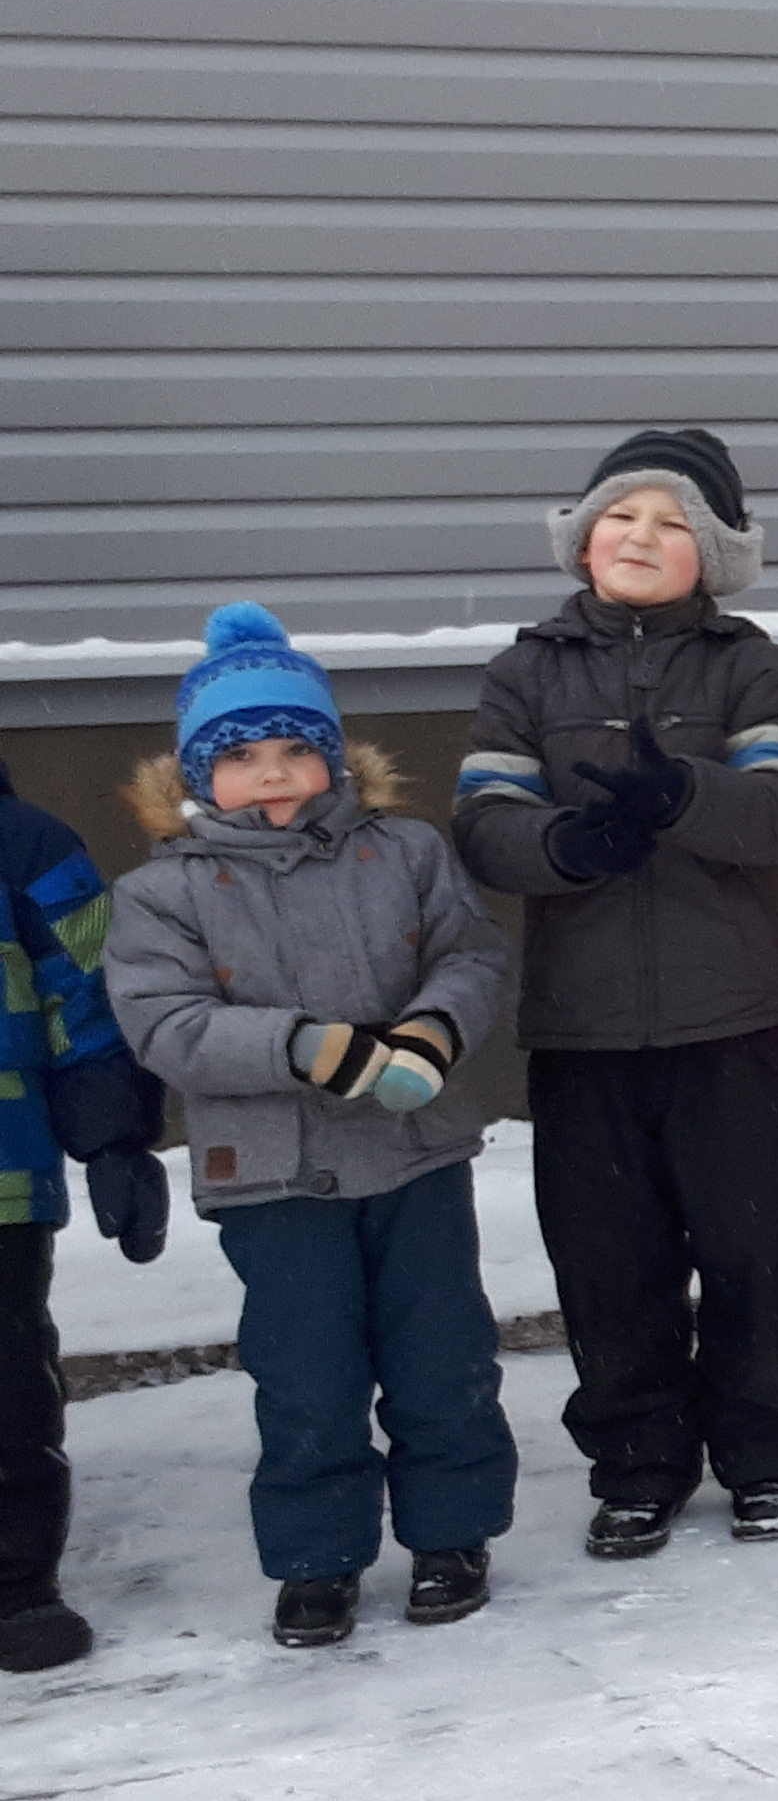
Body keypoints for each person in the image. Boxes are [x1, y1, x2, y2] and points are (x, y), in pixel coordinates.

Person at [105, 607, 516, 1648]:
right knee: (307, 1374)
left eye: (297, 749)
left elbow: (469, 957)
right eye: (242, 756)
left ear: (334, 758)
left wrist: (431, 1032)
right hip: (273, 1177)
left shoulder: (406, 853)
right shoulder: (164, 893)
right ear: (201, 776)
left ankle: (450, 1532)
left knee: (441, 1360)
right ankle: (317, 1557)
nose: (275, 773)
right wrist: (303, 1047)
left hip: (413, 1158)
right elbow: (166, 1023)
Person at [454, 425, 778, 1555]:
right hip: (586, 1030)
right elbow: (481, 825)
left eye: (675, 525)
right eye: (623, 515)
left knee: (751, 1250)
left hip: (731, 1023)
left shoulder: (746, 661)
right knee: (609, 1262)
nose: (643, 536)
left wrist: (681, 797)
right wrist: (568, 843)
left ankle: (768, 1454)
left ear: (712, 559)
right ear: (582, 539)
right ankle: (637, 1460)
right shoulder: (525, 670)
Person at [2, 748, 160, 1673]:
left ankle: (16, 1583)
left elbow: (88, 991)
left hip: (3, 1177)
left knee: (8, 1387)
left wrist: (113, 1137)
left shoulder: (26, 843)